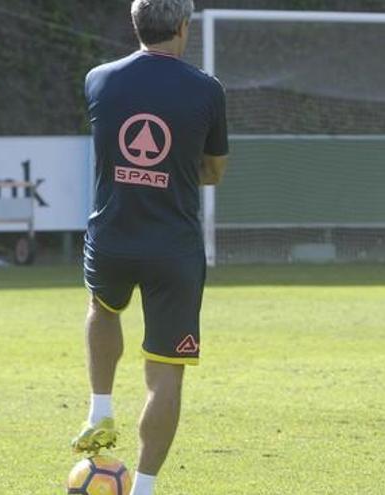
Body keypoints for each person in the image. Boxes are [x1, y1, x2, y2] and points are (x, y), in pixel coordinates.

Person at [71, 1, 228, 494]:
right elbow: (215, 171)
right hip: (174, 249)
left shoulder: (100, 79)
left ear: (134, 24)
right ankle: (142, 488)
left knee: (103, 305)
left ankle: (100, 408)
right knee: (166, 373)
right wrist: (174, 168)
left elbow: (112, 150)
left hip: (113, 235)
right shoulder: (206, 89)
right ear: (184, 26)